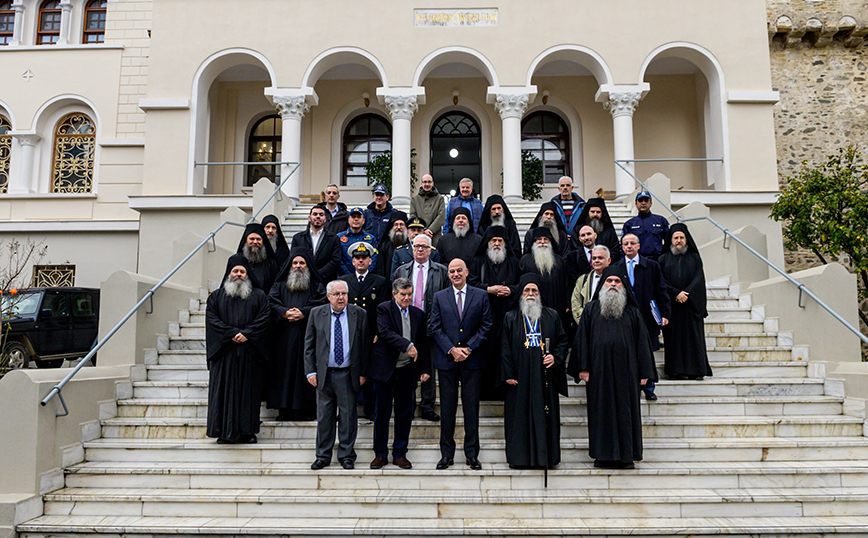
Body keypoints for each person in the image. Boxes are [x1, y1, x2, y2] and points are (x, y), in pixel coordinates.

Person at [569, 266, 656, 469]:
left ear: (623, 285)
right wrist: (583, 367)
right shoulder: (590, 309)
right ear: (602, 285)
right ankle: (602, 456)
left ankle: (627, 456)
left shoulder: (633, 312)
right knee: (601, 413)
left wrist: (645, 373)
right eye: (609, 282)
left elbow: (643, 343)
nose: (613, 285)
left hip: (628, 373)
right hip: (599, 373)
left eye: (617, 282)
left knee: (627, 413)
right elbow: (582, 339)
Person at [429, 258, 492, 470]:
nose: (455, 274)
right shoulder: (439, 296)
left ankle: (472, 454)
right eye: (452, 271)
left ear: (466, 272)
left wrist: (468, 348)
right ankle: (446, 455)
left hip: (472, 361)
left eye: (459, 271)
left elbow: (486, 326)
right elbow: (435, 327)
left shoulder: (481, 295)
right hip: (447, 361)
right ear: (448, 274)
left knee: (471, 409)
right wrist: (452, 349)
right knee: (447, 410)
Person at [500, 274, 569, 469]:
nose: (530, 294)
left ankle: (545, 457)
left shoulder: (551, 315)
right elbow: (504, 348)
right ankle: (520, 458)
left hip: (543, 377)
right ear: (521, 294)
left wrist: (554, 356)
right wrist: (508, 373)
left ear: (539, 294)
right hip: (519, 378)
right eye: (527, 291)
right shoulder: (511, 317)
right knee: (519, 419)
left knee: (544, 416)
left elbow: (563, 341)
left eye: (534, 291)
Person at [305, 280, 370, 470]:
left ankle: (346, 455)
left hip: (348, 374)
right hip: (324, 374)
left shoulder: (359, 314)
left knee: (348, 417)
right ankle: (323, 456)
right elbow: (308, 346)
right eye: (337, 294)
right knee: (324, 417)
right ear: (328, 296)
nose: (341, 297)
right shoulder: (317, 314)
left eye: (344, 294)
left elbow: (365, 346)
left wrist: (363, 373)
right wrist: (310, 371)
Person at [206, 255, 271, 444]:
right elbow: (212, 320)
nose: (239, 274)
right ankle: (224, 433)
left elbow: (264, 319)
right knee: (223, 395)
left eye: (242, 271)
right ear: (229, 273)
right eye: (235, 271)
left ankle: (247, 432)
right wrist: (232, 333)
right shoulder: (216, 298)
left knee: (248, 395)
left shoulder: (259, 296)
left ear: (248, 274)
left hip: (250, 353)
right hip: (224, 354)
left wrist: (248, 334)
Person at [367, 278, 431, 470]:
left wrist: (425, 369)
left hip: (406, 372)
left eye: (409, 294)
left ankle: (400, 454)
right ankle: (380, 454)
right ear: (394, 294)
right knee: (382, 414)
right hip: (385, 371)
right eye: (403, 294)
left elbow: (423, 343)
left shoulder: (418, 314)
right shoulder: (384, 309)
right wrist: (407, 345)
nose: (406, 298)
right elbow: (385, 332)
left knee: (405, 414)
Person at [393, 234, 450, 422]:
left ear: (430, 250)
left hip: (430, 324)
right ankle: (407, 402)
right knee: (407, 364)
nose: (420, 250)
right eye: (417, 246)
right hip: (406, 322)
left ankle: (427, 404)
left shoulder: (441, 271)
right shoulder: (402, 270)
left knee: (428, 363)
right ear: (411, 247)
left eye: (424, 247)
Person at [266, 248, 326, 421]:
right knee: (284, 373)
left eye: (302, 263)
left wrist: (304, 313)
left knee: (304, 372)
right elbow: (271, 302)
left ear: (308, 266)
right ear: (290, 265)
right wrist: (284, 313)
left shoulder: (317, 286)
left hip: (308, 337)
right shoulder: (279, 285)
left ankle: (306, 410)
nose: (298, 266)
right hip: (283, 338)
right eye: (295, 263)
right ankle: (284, 409)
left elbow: (321, 303)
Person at [616, 233, 671, 401]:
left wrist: (665, 313)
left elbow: (661, 290)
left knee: (647, 352)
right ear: (622, 247)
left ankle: (649, 387)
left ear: (639, 246)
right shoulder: (617, 268)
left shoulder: (652, 266)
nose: (629, 246)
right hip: (625, 318)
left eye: (632, 243)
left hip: (647, 317)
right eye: (626, 244)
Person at [468, 225, 520, 401]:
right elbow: (471, 284)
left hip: (507, 313)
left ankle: (504, 389)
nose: (497, 244)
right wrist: (488, 289)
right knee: (486, 350)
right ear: (488, 242)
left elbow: (522, 285)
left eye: (500, 241)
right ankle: (485, 391)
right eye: (493, 241)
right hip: (484, 315)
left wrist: (511, 291)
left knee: (505, 350)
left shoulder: (513, 261)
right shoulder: (478, 261)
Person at [339, 243, 389, 420]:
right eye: (357, 258)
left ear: (370, 260)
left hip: (370, 334)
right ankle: (347, 409)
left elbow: (383, 309)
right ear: (352, 261)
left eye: (364, 258)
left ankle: (370, 408)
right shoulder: (344, 281)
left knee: (369, 370)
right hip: (348, 332)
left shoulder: (380, 281)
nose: (361, 261)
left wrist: (378, 331)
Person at [658, 223, 713, 380]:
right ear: (670, 240)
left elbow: (698, 279)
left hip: (691, 306)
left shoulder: (695, 258)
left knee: (693, 340)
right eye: (676, 238)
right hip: (673, 307)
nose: (679, 241)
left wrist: (686, 294)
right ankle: (676, 371)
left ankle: (695, 371)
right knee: (673, 340)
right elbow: (661, 281)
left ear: (687, 240)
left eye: (682, 237)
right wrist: (676, 293)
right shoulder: (663, 259)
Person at [519, 227, 571, 338]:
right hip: (532, 301)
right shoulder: (525, 260)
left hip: (556, 302)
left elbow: (566, 282)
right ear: (534, 242)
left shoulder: (559, 260)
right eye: (539, 239)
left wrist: (567, 303)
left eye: (546, 239)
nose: (542, 242)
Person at [290, 206, 343, 283]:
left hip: (325, 281)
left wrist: (318, 275)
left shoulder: (334, 239)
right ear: (309, 218)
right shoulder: (298, 238)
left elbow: (335, 261)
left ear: (325, 219)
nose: (318, 216)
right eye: (315, 214)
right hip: (304, 281)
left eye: (321, 215)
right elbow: (293, 259)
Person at [622, 191, 670, 260]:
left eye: (646, 200)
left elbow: (668, 243)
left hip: (657, 261)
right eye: (640, 201)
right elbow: (624, 245)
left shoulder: (661, 221)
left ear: (651, 203)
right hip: (638, 261)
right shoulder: (630, 224)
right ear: (636, 204)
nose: (643, 203)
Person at [571, 245, 611, 324]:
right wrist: (584, 321)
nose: (596, 261)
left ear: (609, 261)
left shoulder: (615, 280)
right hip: (587, 324)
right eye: (594, 258)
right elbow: (575, 302)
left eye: (600, 258)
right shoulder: (582, 280)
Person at [573, 198, 620, 264]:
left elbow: (615, 250)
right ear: (588, 213)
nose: (595, 214)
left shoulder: (609, 230)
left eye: (598, 212)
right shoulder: (578, 229)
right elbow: (574, 248)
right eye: (592, 212)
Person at [235, 223, 279, 292]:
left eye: (258, 239)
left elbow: (275, 289)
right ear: (246, 240)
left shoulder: (271, 264)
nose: (255, 242)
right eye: (252, 239)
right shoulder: (236, 260)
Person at [337, 207, 378, 275]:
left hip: (365, 277)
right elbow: (338, 259)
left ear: (363, 221)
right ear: (349, 220)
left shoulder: (371, 238)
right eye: (353, 217)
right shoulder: (339, 237)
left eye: (359, 217)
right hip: (345, 277)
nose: (356, 219)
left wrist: (365, 274)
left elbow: (374, 258)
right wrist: (349, 275)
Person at [409, 174, 447, 247]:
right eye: (425, 182)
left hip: (434, 236)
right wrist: (422, 230)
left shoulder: (439, 199)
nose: (427, 184)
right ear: (421, 183)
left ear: (433, 183)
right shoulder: (415, 199)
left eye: (429, 182)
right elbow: (412, 215)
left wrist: (430, 230)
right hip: (419, 234)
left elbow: (441, 216)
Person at [374, 211, 409, 279]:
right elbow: (380, 268)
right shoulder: (384, 246)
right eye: (396, 224)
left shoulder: (410, 245)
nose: (398, 227)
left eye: (401, 224)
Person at [564, 224, 597, 292]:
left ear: (595, 235)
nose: (586, 237)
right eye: (583, 235)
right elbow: (573, 278)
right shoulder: (572, 256)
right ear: (580, 239)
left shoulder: (605, 253)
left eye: (589, 234)